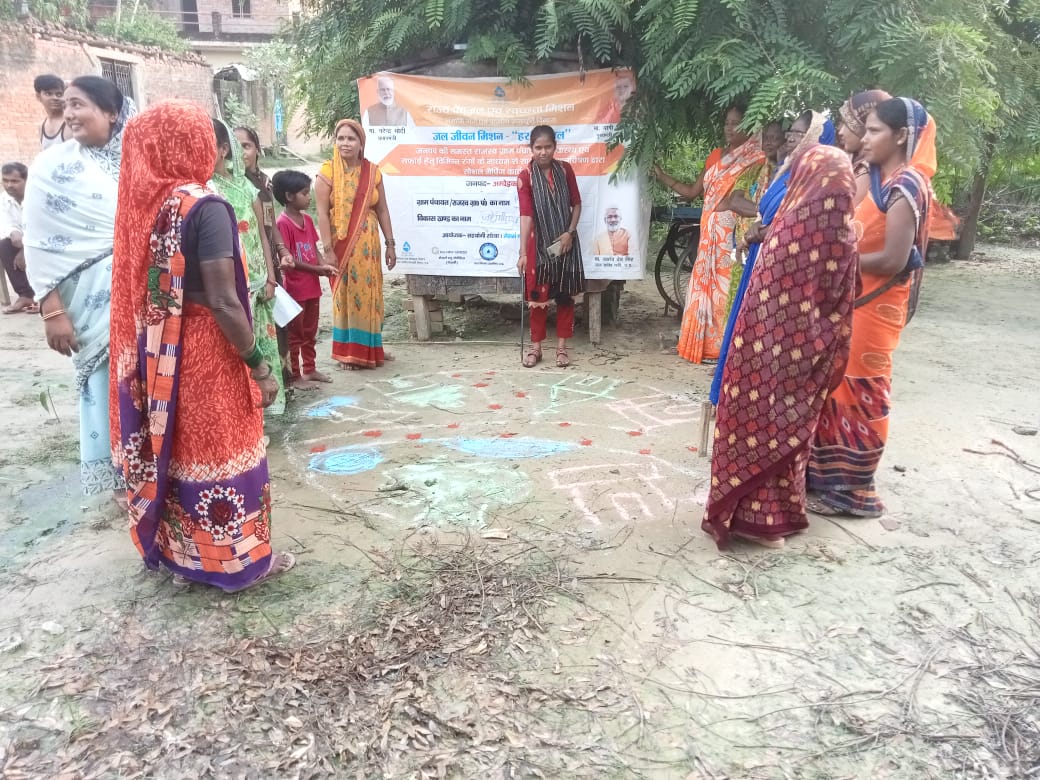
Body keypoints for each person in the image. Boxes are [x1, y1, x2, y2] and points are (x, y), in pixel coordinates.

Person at [110, 99, 294, 591]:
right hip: (210, 349)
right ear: (190, 144)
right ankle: (238, 562)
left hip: (162, 352)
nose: (215, 149)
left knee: (181, 449)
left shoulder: (149, 206)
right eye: (207, 139)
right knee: (225, 448)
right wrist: (259, 364)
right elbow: (224, 301)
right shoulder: (205, 206)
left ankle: (187, 558)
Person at [702, 144, 858, 549]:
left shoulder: (790, 230)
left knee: (767, 425)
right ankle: (760, 520)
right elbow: (840, 301)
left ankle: (768, 519)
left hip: (767, 354)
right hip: (789, 353)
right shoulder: (834, 235)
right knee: (782, 425)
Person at [808, 98, 937, 518]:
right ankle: (827, 481)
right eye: (865, 130)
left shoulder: (907, 186)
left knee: (861, 390)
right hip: (854, 300)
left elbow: (892, 259)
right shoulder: (876, 177)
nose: (865, 139)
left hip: (876, 307)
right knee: (836, 386)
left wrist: (835, 261)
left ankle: (855, 492)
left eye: (875, 131)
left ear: (901, 136)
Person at [23, 75, 134, 497]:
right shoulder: (51, 168)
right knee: (103, 383)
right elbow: (39, 243)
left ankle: (149, 469)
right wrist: (52, 310)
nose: (68, 113)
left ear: (112, 113)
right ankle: (118, 476)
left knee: (144, 380)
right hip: (86, 301)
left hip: (142, 293)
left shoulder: (140, 158)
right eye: (66, 104)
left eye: (78, 104)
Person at [709, 111, 836, 406]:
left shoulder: (819, 180)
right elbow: (749, 206)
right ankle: (735, 395)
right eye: (790, 133)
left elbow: (804, 223)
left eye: (798, 134)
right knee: (746, 328)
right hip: (760, 258)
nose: (790, 139)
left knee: (770, 337)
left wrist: (765, 230)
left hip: (786, 269)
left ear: (818, 139)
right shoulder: (786, 172)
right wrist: (759, 227)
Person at [654, 104, 765, 363]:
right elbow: (693, 192)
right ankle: (700, 344)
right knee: (703, 287)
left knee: (725, 289)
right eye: (727, 122)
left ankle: (722, 348)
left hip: (731, 233)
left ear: (749, 126)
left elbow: (751, 199)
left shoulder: (756, 160)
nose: (729, 128)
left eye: (736, 123)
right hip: (708, 232)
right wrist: (662, 176)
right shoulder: (716, 155)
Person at [209, 119, 285, 415]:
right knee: (239, 348)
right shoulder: (208, 190)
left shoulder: (245, 187)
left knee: (264, 345)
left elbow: (261, 235)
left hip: (258, 279)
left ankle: (266, 412)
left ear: (223, 150)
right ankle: (245, 414)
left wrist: (270, 276)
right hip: (231, 285)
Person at [315, 119, 397, 369]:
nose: (345, 143)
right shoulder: (327, 172)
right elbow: (321, 213)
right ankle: (348, 352)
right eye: (340, 138)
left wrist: (390, 244)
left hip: (369, 247)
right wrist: (328, 250)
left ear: (361, 143)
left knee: (369, 294)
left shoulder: (372, 172)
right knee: (347, 296)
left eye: (351, 138)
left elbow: (382, 210)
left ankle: (371, 347)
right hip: (342, 246)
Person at [516, 125, 584, 368]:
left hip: (566, 244)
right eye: (538, 147)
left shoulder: (565, 170)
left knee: (565, 297)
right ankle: (536, 349)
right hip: (539, 247)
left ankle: (562, 349)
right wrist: (523, 253)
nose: (543, 152)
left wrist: (569, 232)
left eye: (548, 147)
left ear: (555, 147)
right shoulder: (526, 177)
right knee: (538, 298)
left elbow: (577, 204)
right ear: (531, 148)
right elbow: (526, 216)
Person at [235, 125, 296, 392]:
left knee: (277, 321)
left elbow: (269, 223)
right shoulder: (230, 183)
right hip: (246, 263)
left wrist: (282, 251)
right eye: (236, 146)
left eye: (246, 146)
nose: (241, 152)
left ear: (258, 149)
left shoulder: (263, 182)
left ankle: (282, 382)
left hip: (269, 261)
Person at [273, 169, 336, 390]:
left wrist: (323, 264)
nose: (309, 197)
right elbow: (291, 258)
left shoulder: (307, 220)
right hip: (295, 289)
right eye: (305, 193)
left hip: (312, 287)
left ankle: (310, 368)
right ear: (289, 196)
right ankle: (295, 375)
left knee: (310, 330)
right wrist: (317, 269)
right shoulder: (282, 224)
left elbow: (313, 248)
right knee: (295, 333)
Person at [717, 119, 785, 316]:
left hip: (769, 252)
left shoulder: (788, 176)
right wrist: (766, 213)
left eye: (775, 138)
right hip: (744, 248)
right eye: (766, 138)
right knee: (737, 304)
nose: (769, 142)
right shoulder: (752, 171)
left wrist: (758, 214)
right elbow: (735, 202)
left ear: (785, 141)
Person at [837, 89, 892, 202]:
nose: (840, 132)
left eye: (847, 124)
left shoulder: (868, 171)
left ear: (864, 127)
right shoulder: (855, 164)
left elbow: (846, 212)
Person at [1, 162, 36, 313]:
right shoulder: (4, 199)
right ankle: (26, 295)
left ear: (26, 180)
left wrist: (24, 251)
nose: (9, 185)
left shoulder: (37, 196)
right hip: (22, 241)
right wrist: (13, 232)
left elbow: (41, 229)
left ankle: (45, 298)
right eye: (5, 180)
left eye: (14, 181)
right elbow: (6, 224)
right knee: (4, 244)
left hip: (42, 241)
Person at [35, 74, 72, 149]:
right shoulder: (41, 127)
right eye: (48, 93)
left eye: (59, 94)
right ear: (38, 96)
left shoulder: (71, 122)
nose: (55, 98)